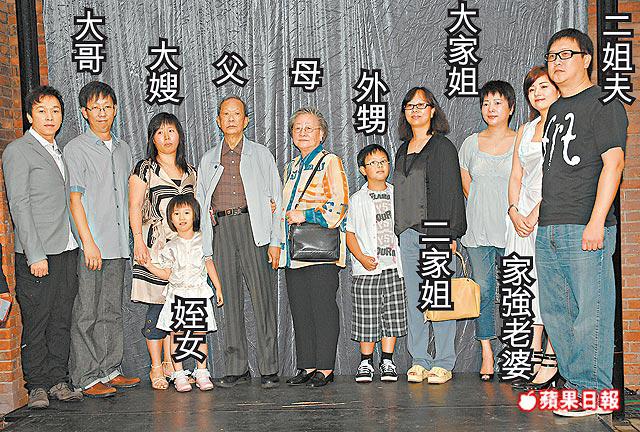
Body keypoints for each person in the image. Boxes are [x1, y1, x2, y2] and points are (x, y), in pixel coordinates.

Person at [537, 29, 626, 417]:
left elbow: (614, 163)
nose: (556, 62)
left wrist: (596, 221)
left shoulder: (603, 102)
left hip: (585, 226)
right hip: (550, 226)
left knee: (591, 312)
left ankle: (594, 391)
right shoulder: (555, 109)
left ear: (587, 59)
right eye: (551, 56)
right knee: (557, 313)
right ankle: (575, 386)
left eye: (565, 55)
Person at [2, 85, 83, 408]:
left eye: (55, 111)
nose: (50, 117)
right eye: (42, 111)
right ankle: (36, 385)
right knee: (37, 321)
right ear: (29, 116)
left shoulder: (57, 150)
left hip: (66, 248)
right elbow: (19, 205)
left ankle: (58, 380)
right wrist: (35, 254)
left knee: (61, 319)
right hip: (37, 254)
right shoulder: (18, 151)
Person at [196, 96, 282, 389]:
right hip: (221, 229)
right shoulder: (209, 159)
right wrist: (206, 245)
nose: (231, 119)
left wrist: (275, 241)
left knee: (263, 299)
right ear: (218, 121)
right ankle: (236, 367)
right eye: (226, 114)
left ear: (246, 120)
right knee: (229, 299)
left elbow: (277, 199)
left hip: (253, 228)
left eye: (237, 114)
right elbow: (201, 202)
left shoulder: (261, 154)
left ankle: (269, 367)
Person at [64, 81, 139, 398]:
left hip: (118, 243)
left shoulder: (123, 149)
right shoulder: (76, 149)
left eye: (107, 107)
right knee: (87, 313)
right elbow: (74, 200)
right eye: (95, 108)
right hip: (93, 245)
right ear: (84, 112)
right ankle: (85, 376)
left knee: (111, 310)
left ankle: (110, 369)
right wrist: (88, 242)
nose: (102, 113)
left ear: (116, 109)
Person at [394, 87, 466, 385]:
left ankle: (443, 361)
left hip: (436, 230)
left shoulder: (443, 147)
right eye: (409, 106)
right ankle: (419, 360)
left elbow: (452, 192)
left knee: (439, 299)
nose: (415, 110)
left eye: (421, 105)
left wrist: (450, 233)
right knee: (415, 301)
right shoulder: (402, 149)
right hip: (408, 233)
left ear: (433, 110)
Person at [279, 107, 349, 388]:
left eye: (309, 128)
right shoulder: (291, 167)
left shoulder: (330, 161)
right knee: (301, 312)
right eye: (297, 128)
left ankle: (326, 368)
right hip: (294, 252)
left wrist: (306, 214)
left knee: (323, 309)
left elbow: (339, 205)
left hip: (321, 252)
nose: (303, 133)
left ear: (322, 134)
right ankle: (306, 365)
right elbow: (286, 209)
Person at [129, 112, 197, 390]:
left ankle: (172, 364)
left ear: (179, 135)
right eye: (159, 132)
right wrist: (138, 241)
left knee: (178, 308)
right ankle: (156, 366)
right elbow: (135, 207)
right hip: (155, 246)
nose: (166, 137)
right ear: (152, 138)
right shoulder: (145, 169)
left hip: (183, 250)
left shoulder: (190, 171)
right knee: (157, 306)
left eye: (171, 131)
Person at [506, 66, 560, 390]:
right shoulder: (525, 130)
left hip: (552, 211)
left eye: (543, 86)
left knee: (551, 284)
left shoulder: (564, 126)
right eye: (531, 89)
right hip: (521, 215)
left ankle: (552, 357)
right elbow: (516, 175)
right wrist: (514, 210)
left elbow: (559, 175)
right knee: (527, 285)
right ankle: (533, 352)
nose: (537, 93)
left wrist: (537, 211)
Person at [459, 80, 517, 382]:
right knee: (483, 291)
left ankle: (515, 352)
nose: (490, 109)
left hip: (514, 231)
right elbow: (466, 185)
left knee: (514, 292)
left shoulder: (522, 141)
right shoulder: (470, 143)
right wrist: (484, 207)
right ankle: (487, 352)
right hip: (478, 232)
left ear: (511, 107)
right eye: (485, 103)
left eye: (497, 102)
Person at [142, 194, 223, 392]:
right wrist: (149, 265)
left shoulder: (203, 240)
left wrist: (218, 287)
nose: (181, 217)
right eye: (176, 214)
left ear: (194, 214)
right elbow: (167, 274)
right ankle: (179, 374)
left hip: (198, 294)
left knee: (199, 334)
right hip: (177, 295)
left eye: (186, 212)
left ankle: (201, 372)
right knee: (177, 335)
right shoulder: (170, 246)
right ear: (170, 218)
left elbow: (209, 263)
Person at [346, 144, 407, 383]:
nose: (379, 166)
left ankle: (388, 361)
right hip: (367, 268)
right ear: (363, 170)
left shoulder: (398, 194)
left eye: (383, 161)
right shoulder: (357, 199)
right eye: (373, 163)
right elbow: (349, 233)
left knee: (392, 314)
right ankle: (366, 362)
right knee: (367, 315)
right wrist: (361, 257)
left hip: (394, 266)